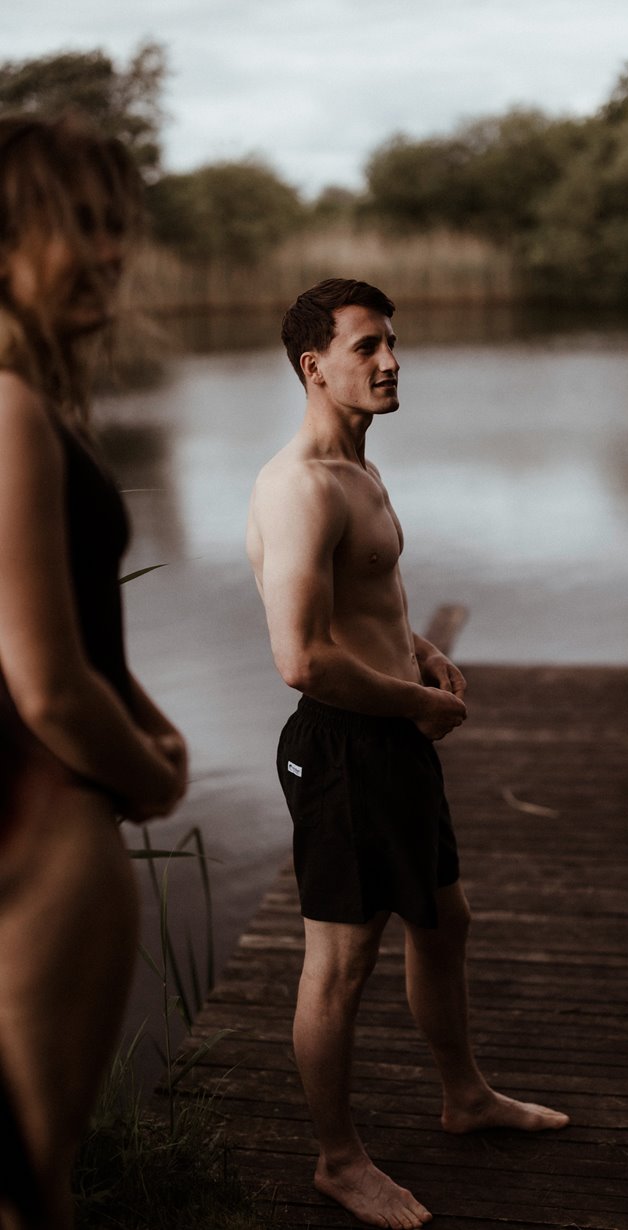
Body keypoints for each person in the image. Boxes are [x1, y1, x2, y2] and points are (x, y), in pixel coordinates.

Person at [246, 278, 568, 1229]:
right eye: (367, 347)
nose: (390, 361)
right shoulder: (301, 484)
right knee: (339, 966)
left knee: (444, 921)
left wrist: (420, 651)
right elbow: (299, 659)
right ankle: (338, 1161)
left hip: (389, 734)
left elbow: (367, 598)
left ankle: (464, 1097)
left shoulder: (360, 468)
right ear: (316, 366)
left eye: (393, 342)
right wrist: (416, 702)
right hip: (344, 747)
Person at [0, 114, 188, 1229]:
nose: (112, 252)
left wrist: (151, 714)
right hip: (52, 828)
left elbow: (67, 631)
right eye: (81, 225)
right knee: (36, 1195)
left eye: (118, 225)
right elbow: (48, 682)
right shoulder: (13, 409)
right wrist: (154, 776)